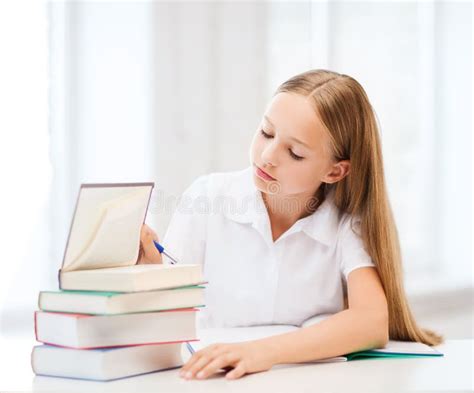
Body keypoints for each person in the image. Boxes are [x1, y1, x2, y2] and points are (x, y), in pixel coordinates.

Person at [137, 69, 443, 380]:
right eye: (266, 133)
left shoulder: (347, 224)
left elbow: (371, 322)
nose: (268, 156)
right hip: (214, 381)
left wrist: (261, 351)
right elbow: (167, 309)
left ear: (335, 172)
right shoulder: (208, 197)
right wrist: (148, 270)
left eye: (294, 153)